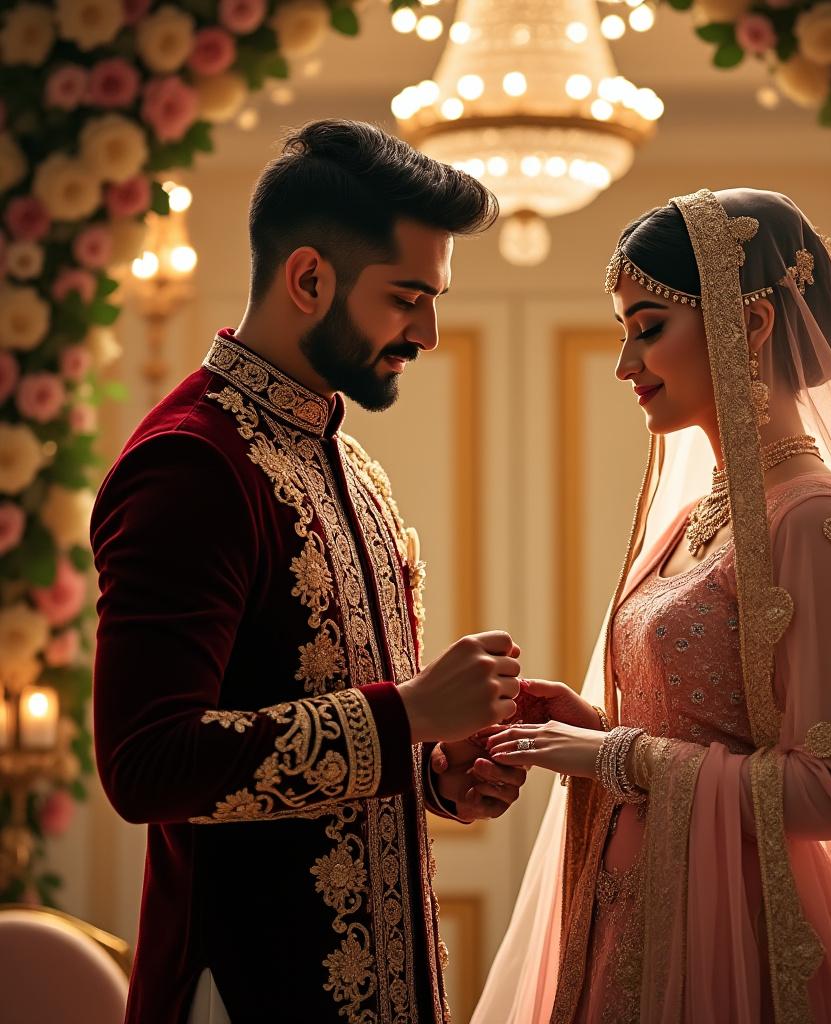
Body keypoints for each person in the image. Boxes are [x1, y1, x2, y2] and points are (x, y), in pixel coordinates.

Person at [475, 188, 831, 1023]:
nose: (626, 365)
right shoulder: (701, 518)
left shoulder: (813, 521)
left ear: (753, 324)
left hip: (736, 944)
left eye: (649, 327)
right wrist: (587, 728)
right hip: (635, 918)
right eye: (624, 332)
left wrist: (613, 756)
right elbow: (703, 726)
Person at [91, 119, 528, 1024]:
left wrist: (433, 770)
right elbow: (147, 763)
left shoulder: (347, 465)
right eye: (407, 297)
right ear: (309, 279)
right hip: (243, 990)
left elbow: (315, 712)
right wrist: (408, 715)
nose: (429, 332)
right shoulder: (192, 463)